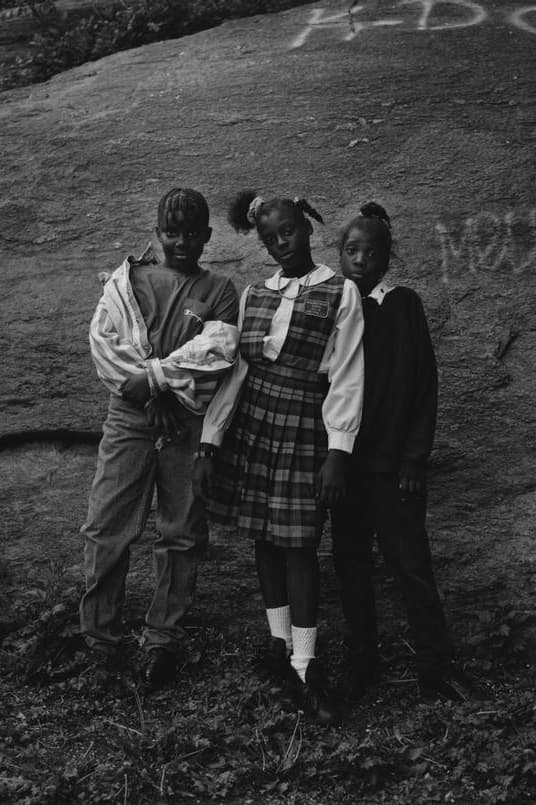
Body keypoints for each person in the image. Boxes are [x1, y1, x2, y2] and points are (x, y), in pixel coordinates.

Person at [192, 190, 365, 724]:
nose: (280, 244)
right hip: (255, 422)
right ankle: (278, 646)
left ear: (308, 227)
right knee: (265, 536)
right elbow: (237, 371)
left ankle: (307, 664)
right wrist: (209, 440)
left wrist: (339, 450)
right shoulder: (254, 294)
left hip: (302, 425)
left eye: (287, 231)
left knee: (299, 543)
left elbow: (347, 375)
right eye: (269, 238)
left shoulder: (341, 292)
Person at [80, 187, 239, 688]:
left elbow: (216, 356)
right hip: (130, 419)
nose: (181, 241)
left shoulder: (220, 289)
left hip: (186, 424)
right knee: (107, 526)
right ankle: (100, 642)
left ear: (208, 236)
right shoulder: (130, 281)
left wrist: (157, 385)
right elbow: (109, 349)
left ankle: (162, 641)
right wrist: (156, 393)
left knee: (181, 530)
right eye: (171, 232)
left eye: (192, 233)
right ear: (156, 233)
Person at [331, 201, 464, 702]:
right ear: (341, 256)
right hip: (346, 468)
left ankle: (436, 665)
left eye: (371, 251)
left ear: (388, 257)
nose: (360, 259)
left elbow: (424, 384)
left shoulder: (404, 304)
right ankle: (362, 660)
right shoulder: (335, 307)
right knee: (351, 565)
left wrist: (414, 458)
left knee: (411, 565)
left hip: (394, 470)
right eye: (351, 250)